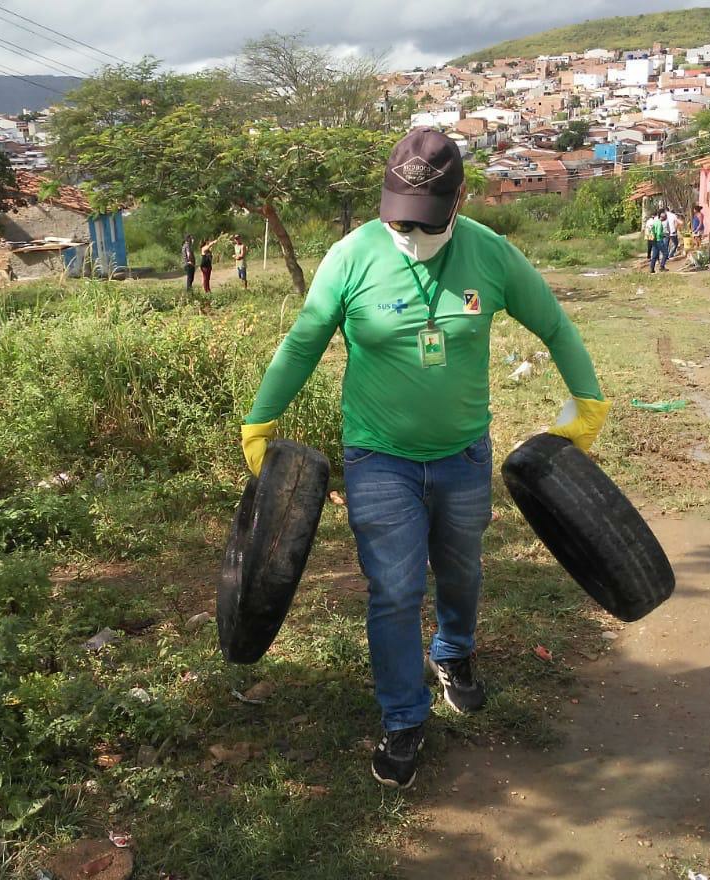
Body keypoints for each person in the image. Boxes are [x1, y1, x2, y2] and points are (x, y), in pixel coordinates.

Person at [238, 128, 609, 789]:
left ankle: (454, 655)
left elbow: (554, 325)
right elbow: (302, 345)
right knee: (395, 590)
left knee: (461, 575)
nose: (410, 231)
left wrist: (588, 400)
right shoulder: (351, 257)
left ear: (460, 198)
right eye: (399, 215)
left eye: (427, 217)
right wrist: (261, 417)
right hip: (379, 458)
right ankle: (403, 717)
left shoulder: (490, 255)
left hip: (464, 456)